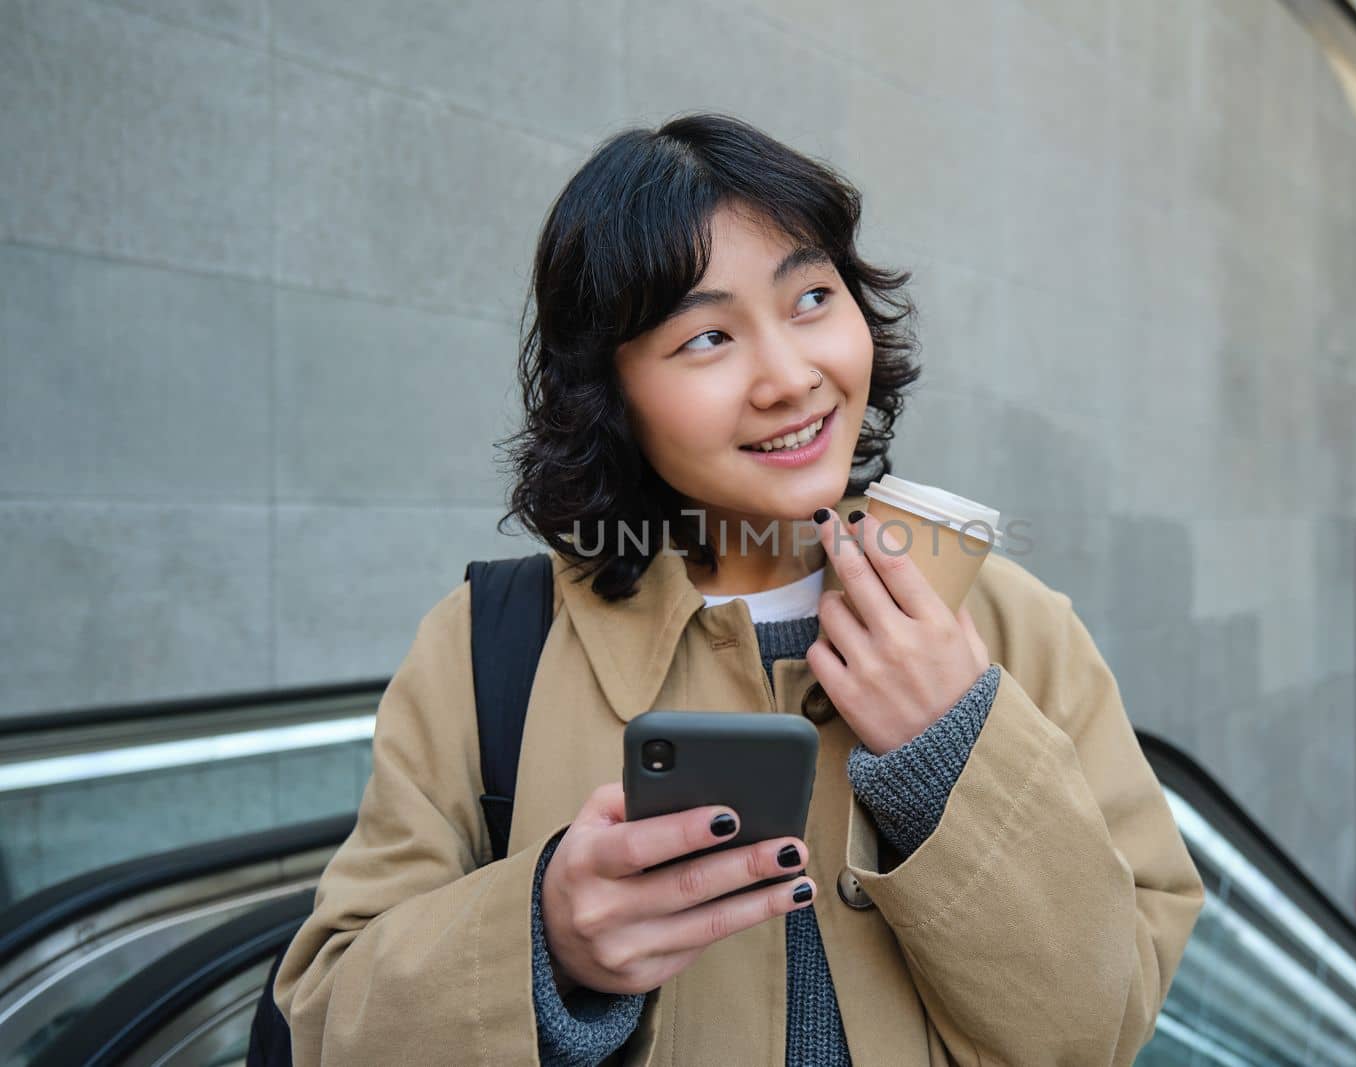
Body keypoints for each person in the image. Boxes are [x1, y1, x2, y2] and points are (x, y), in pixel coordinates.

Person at [273, 111, 1205, 1066]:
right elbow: (326, 1018)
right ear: (613, 393)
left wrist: (952, 747)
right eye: (708, 336)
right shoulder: (491, 643)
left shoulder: (1015, 625)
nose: (790, 377)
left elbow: (1099, 1024)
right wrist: (546, 942)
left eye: (810, 298)